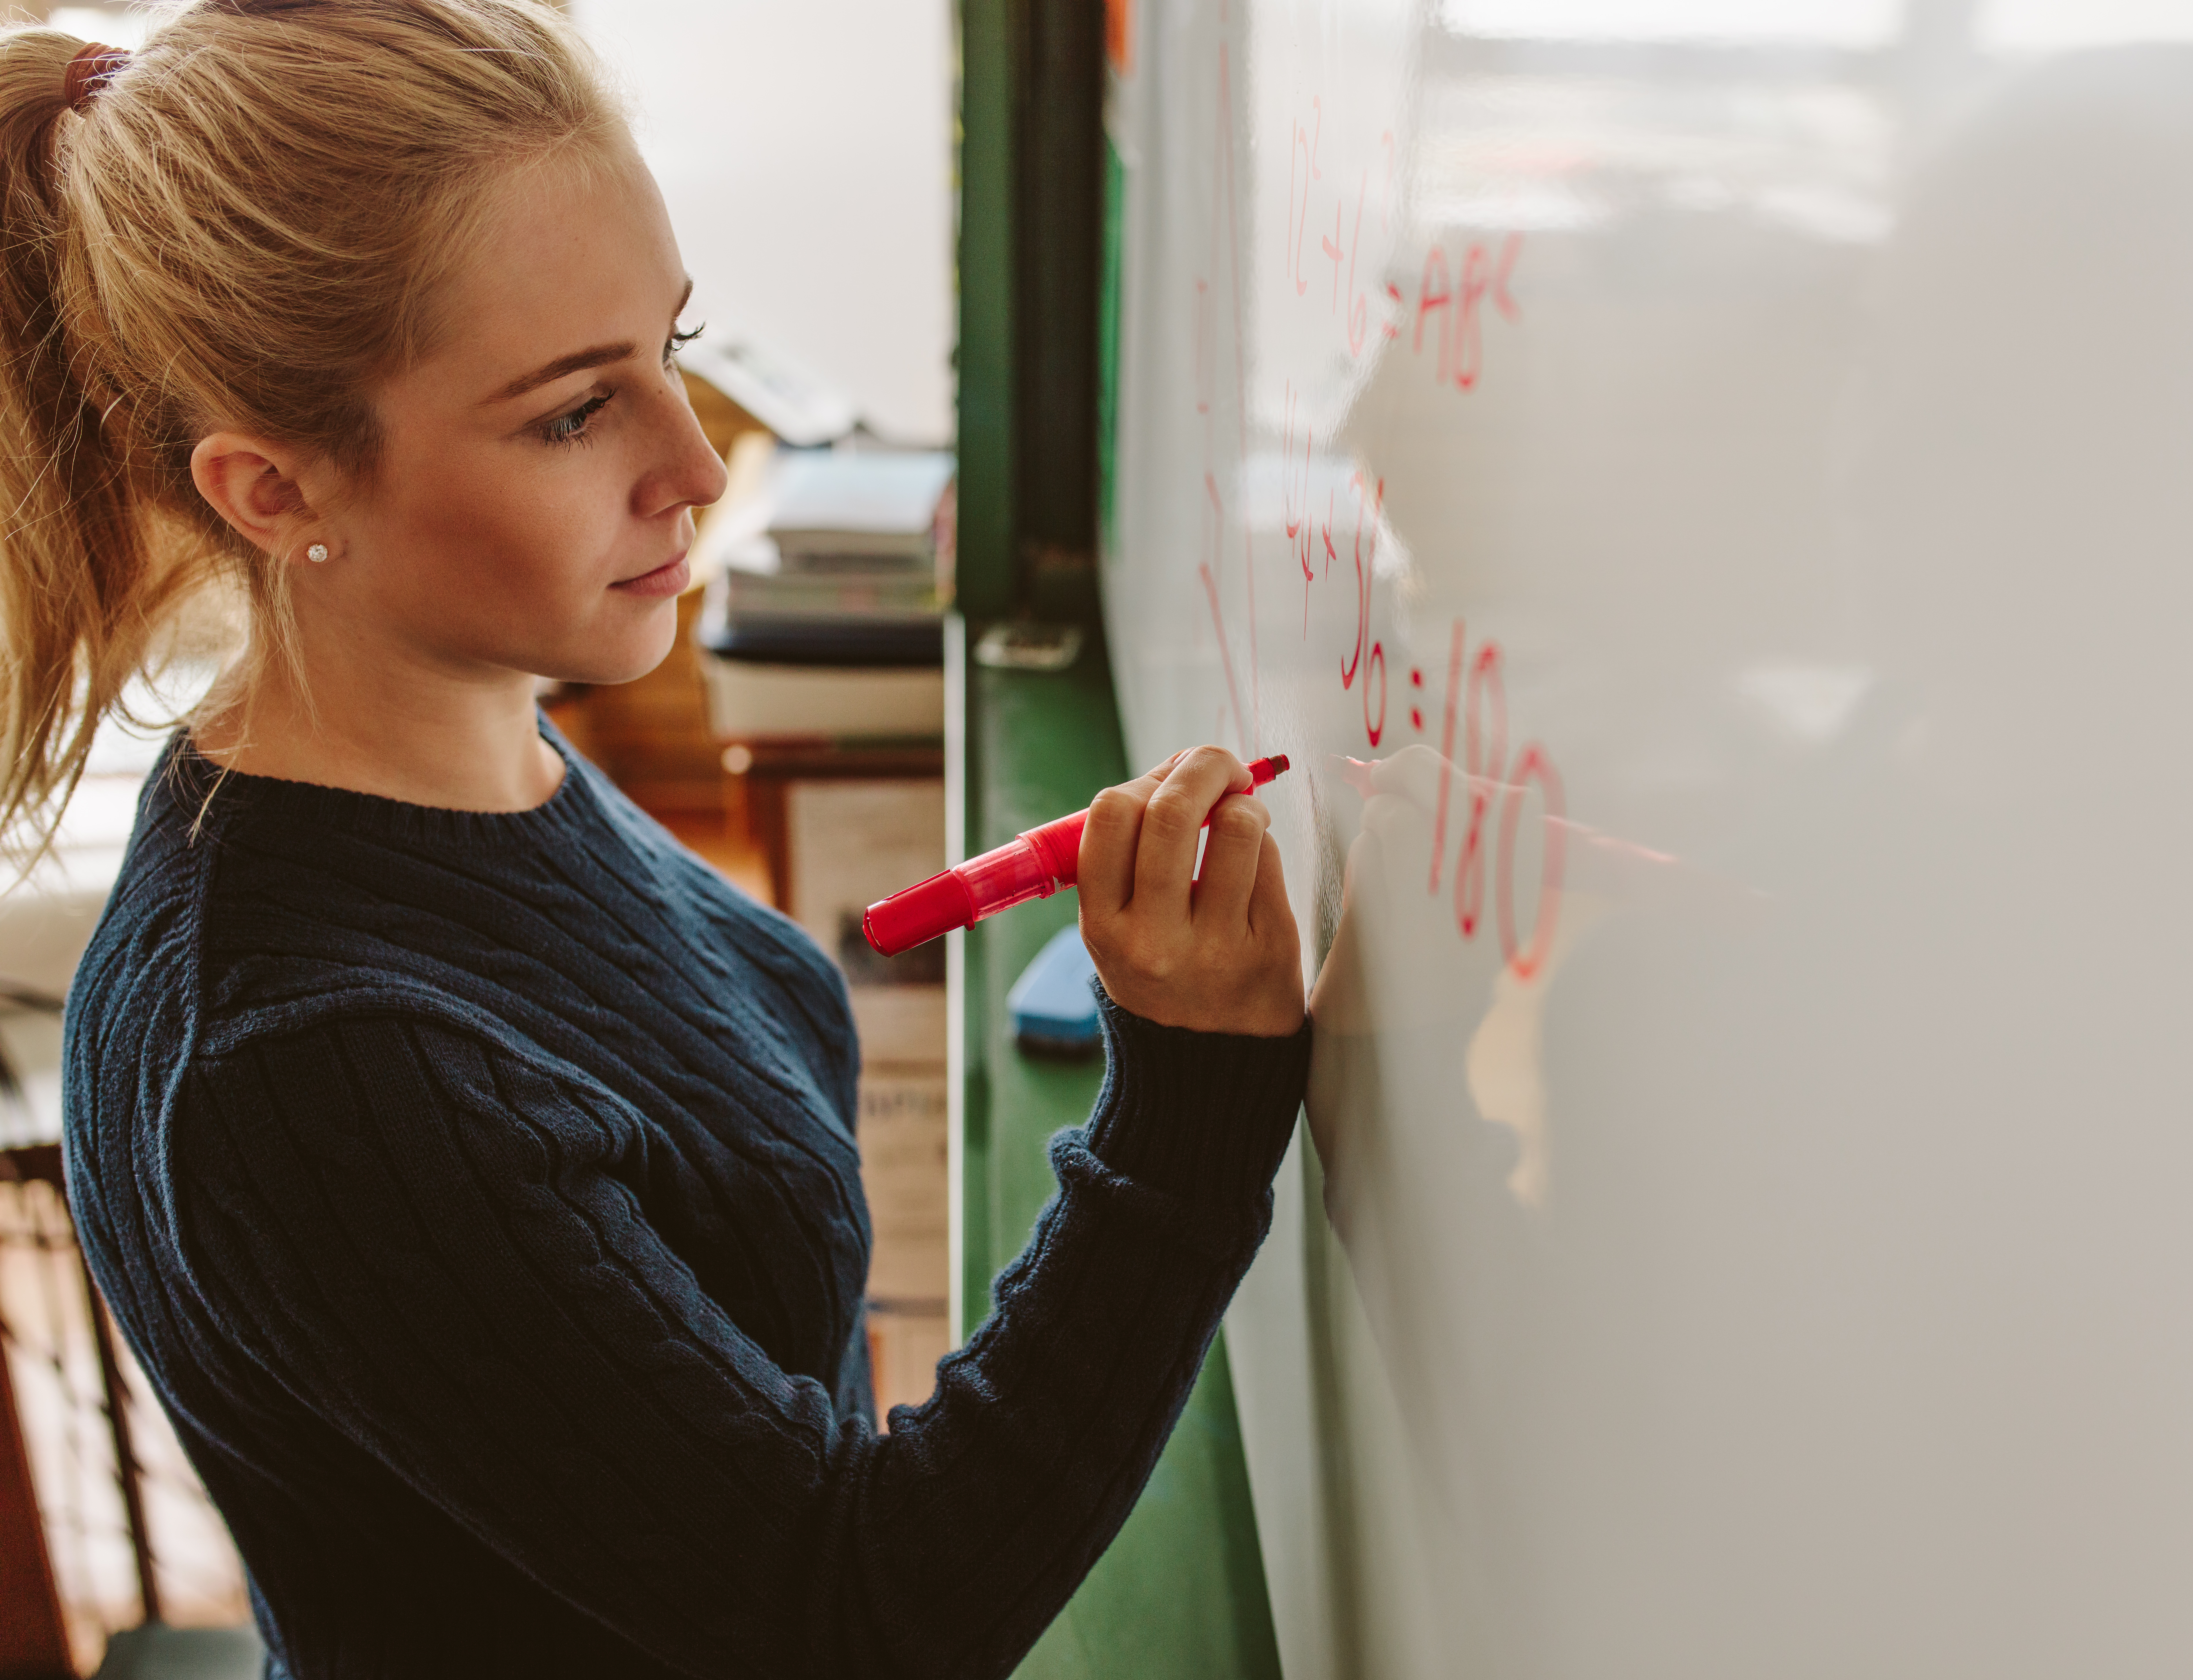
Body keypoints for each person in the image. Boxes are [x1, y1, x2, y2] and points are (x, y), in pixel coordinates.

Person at [0, 3, 1309, 1674]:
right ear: (274, 494)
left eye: (671, 352)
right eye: (571, 415)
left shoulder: (468, 740)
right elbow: (858, 1614)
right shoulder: (305, 1062)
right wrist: (1185, 1106)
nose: (695, 467)